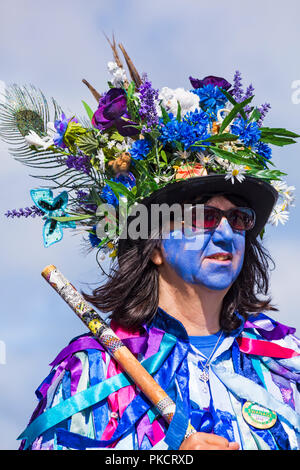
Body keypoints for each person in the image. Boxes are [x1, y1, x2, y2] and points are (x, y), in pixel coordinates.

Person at [2, 40, 299, 450]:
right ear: (154, 245)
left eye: (240, 219)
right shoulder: (92, 372)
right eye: (203, 217)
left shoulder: (287, 360)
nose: (227, 233)